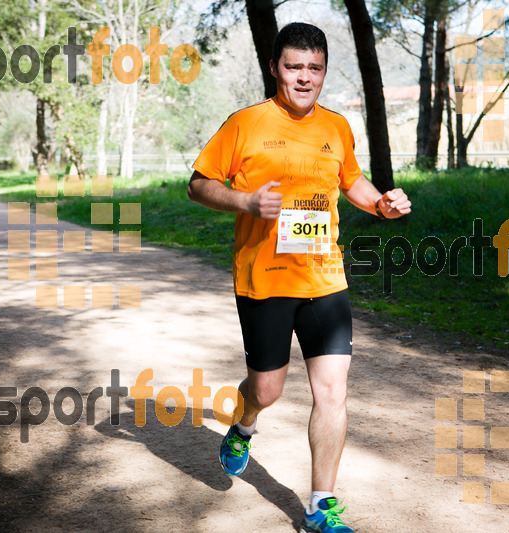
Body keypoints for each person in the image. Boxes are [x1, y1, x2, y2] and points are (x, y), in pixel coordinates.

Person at [187, 22, 411, 533]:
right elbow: (197, 185)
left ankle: (321, 505)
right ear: (275, 68)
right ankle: (244, 425)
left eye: (314, 68)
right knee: (266, 391)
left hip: (324, 277)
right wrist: (244, 201)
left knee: (332, 390)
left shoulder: (336, 126)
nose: (305, 78)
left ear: (325, 71)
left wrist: (382, 205)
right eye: (294, 66)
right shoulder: (244, 123)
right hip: (264, 278)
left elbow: (350, 180)